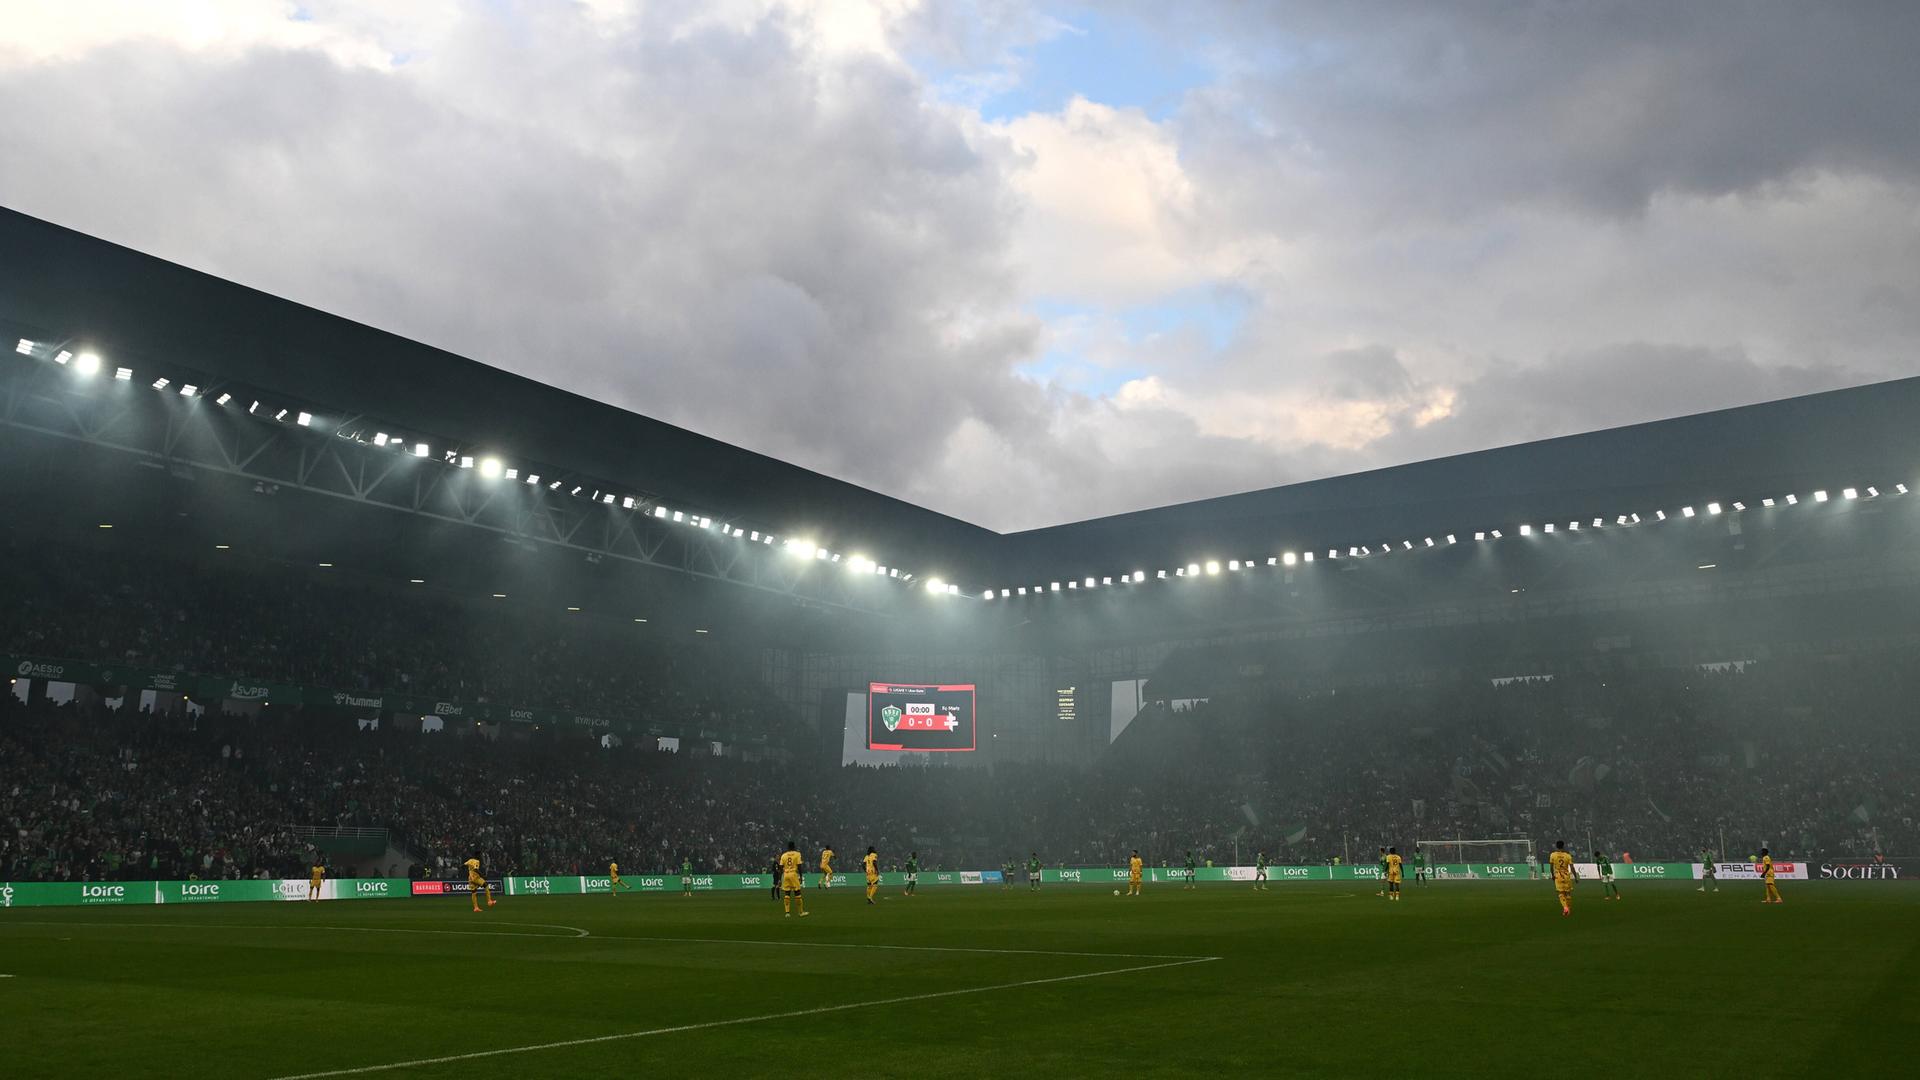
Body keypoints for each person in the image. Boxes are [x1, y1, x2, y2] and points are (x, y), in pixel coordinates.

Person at [779, 841, 808, 917]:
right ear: (794, 846)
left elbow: (780, 868)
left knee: (787, 893)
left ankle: (787, 913)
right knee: (797, 893)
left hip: (786, 875)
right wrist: (801, 877)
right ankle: (801, 912)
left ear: (788, 847)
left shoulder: (783, 855)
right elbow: (799, 866)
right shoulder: (797, 854)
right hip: (793, 874)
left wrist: (779, 879)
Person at [1549, 840, 1574, 916]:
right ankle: (1568, 910)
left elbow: (1551, 867)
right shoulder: (1567, 855)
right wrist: (1575, 877)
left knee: (1561, 893)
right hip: (1566, 875)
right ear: (1563, 846)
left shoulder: (1553, 855)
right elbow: (1572, 867)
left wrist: (1552, 875)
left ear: (1556, 846)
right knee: (1568, 893)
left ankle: (1565, 907)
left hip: (1558, 875)